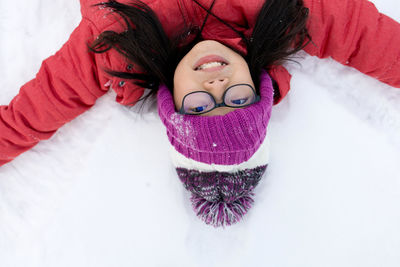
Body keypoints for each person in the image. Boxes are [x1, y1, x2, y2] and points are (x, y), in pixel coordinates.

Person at [0, 0, 399, 226]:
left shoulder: (118, 47)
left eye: (200, 107)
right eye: (238, 100)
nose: (217, 87)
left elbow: (24, 120)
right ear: (258, 87)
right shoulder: (288, 13)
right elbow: (374, 42)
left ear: (171, 104)